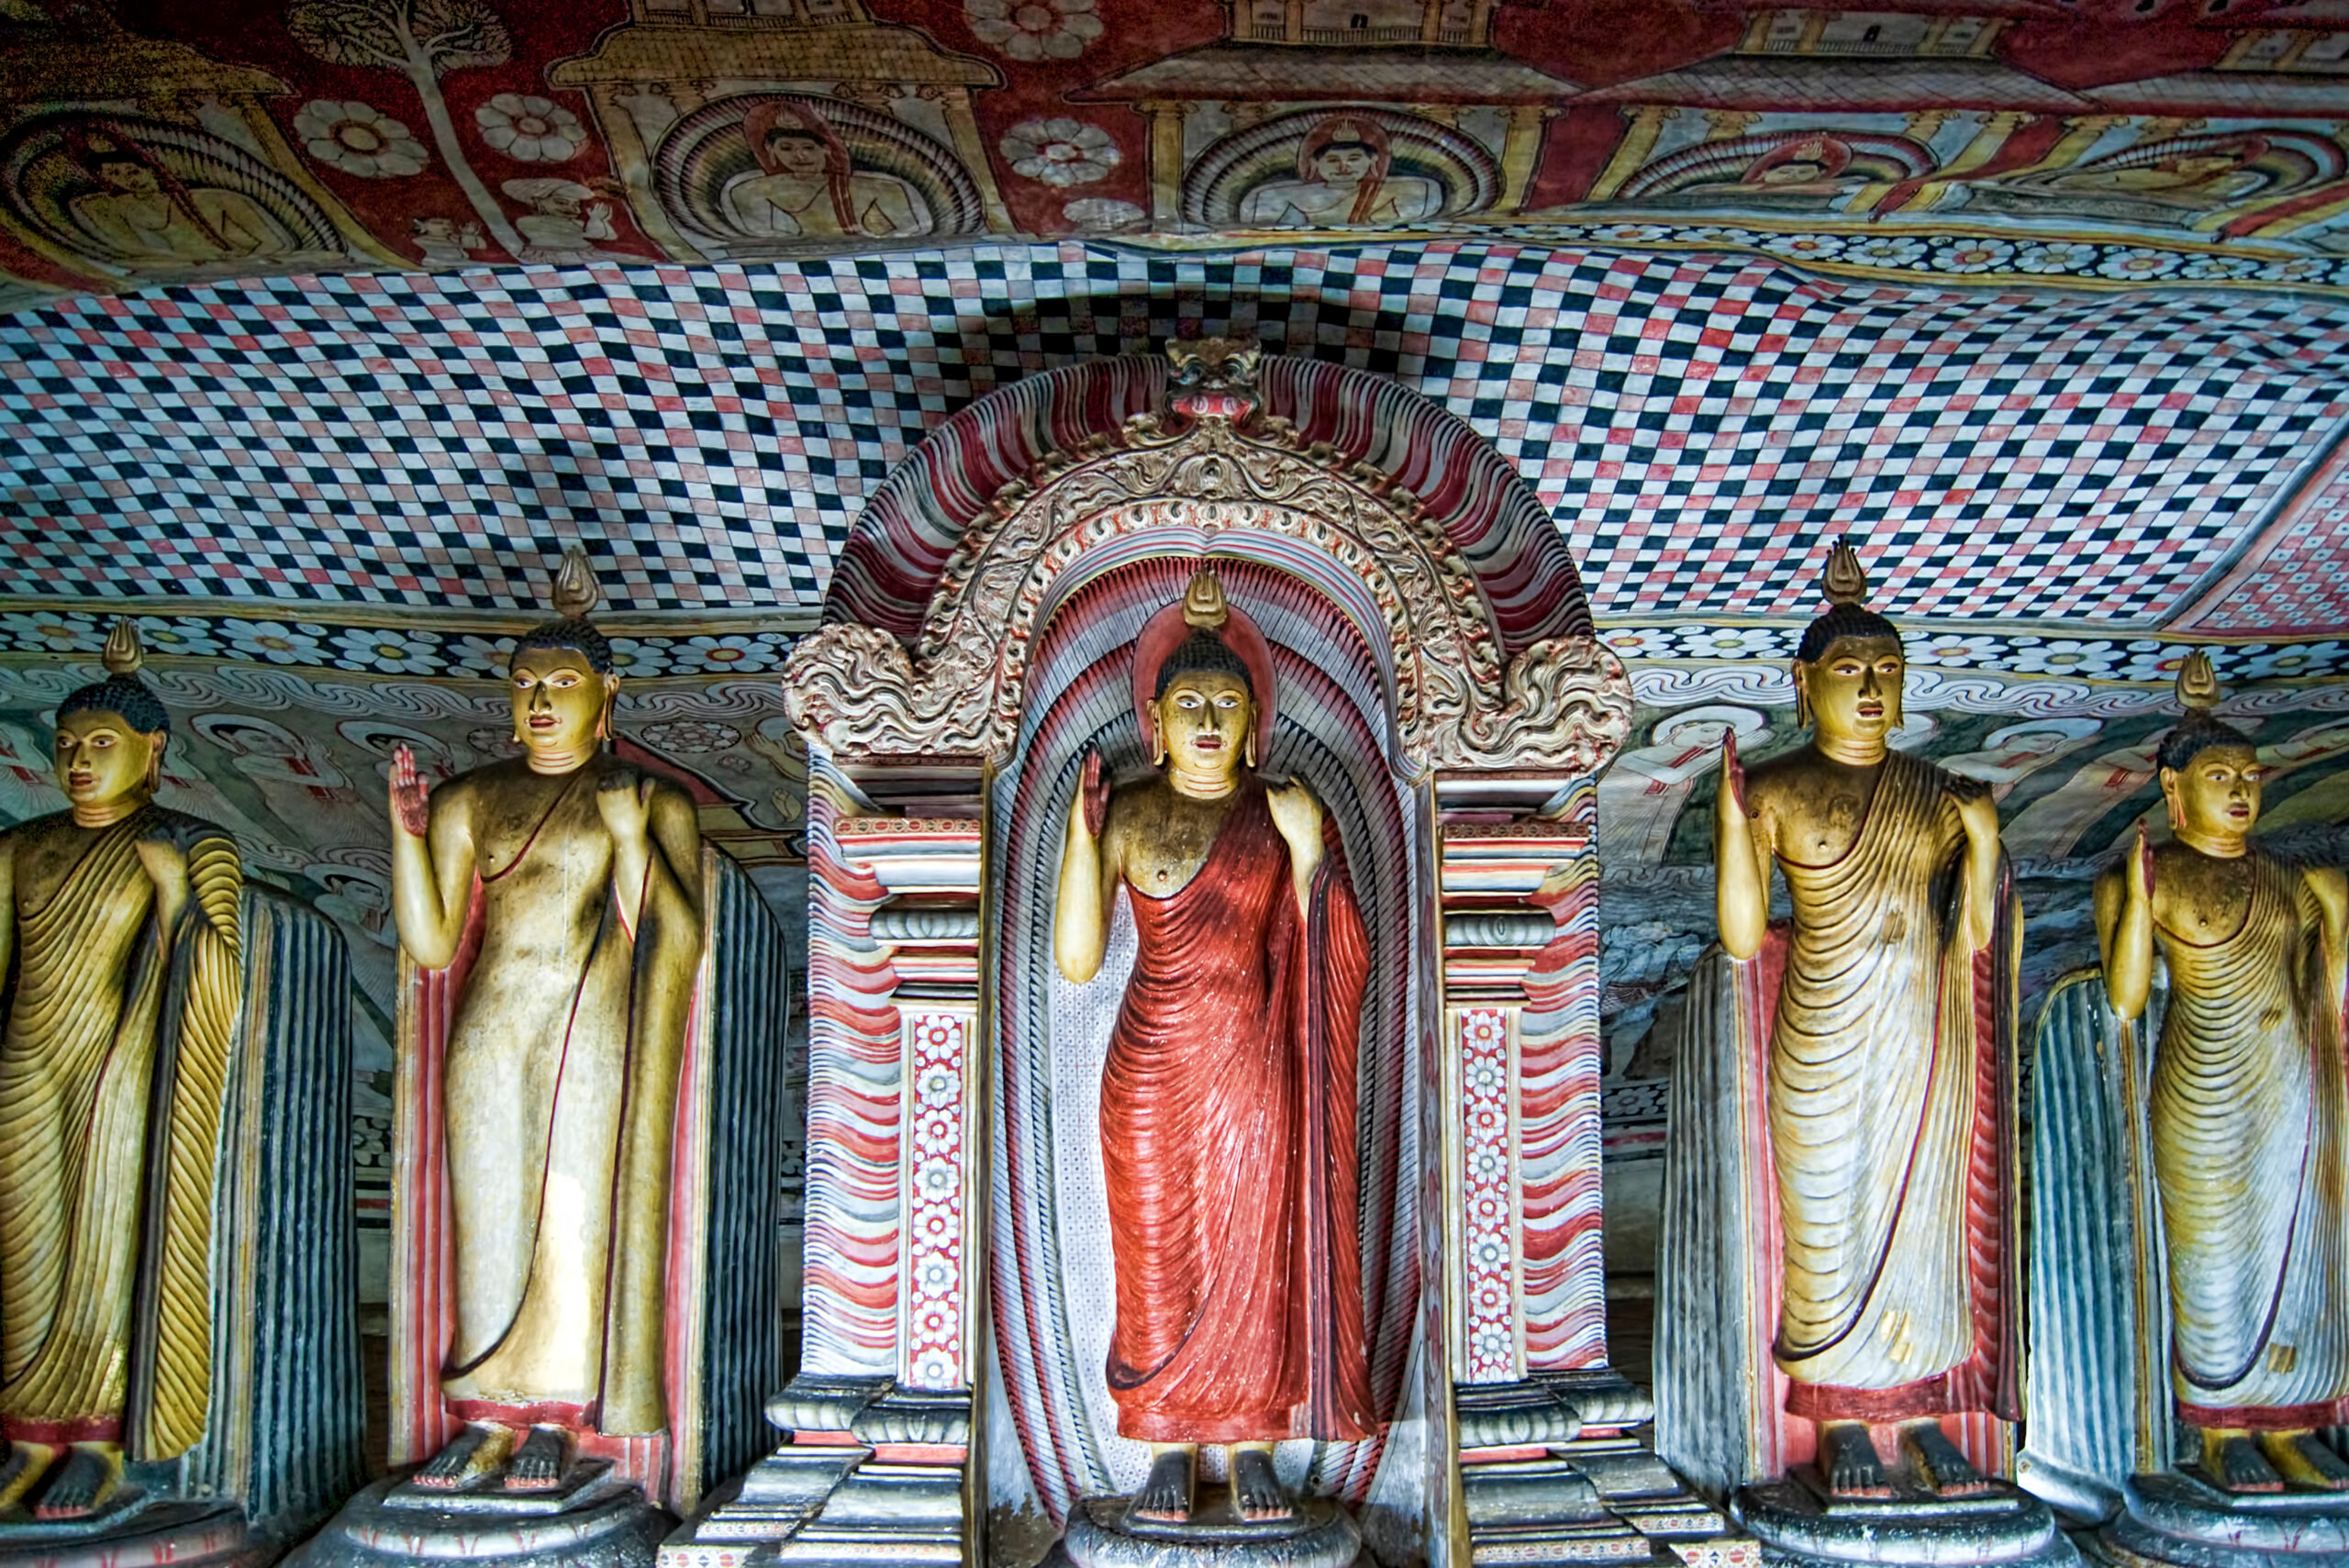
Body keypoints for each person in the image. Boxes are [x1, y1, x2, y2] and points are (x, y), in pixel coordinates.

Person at [1053, 569, 1375, 1524]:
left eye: (1224, 702)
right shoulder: (1130, 810)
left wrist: (1312, 849)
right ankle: (1161, 1435)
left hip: (1253, 1065)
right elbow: (1076, 960)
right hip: (1150, 1063)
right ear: (1152, 717)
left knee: (1253, 1245)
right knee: (1155, 1248)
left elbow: (1341, 942)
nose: (1205, 718)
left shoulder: (1278, 808)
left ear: (1252, 719)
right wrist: (1081, 837)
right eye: (1186, 701)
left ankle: (1250, 1443)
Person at [388, 553, 703, 1490]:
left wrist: (628, 836)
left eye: (560, 685)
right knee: (487, 1209)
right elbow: (433, 941)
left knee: (571, 1207)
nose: (537, 702)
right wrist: (406, 837)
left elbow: (674, 934)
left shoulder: (650, 799)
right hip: (492, 1017)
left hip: (590, 1020)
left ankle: (556, 1415)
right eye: (524, 685)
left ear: (608, 694)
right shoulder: (470, 798)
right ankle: (483, 1410)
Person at [1714, 541, 2016, 1498]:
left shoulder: (1935, 791)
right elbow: (1736, 936)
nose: (1873, 688)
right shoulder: (1779, 788)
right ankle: (1839, 1414)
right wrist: (1731, 824)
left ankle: (1922, 1416)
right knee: (1829, 1217)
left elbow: (1971, 933)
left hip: (1921, 1031)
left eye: (1887, 670)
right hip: (1822, 1031)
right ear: (1804, 685)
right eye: (1850, 671)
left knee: (1920, 1228)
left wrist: (1984, 839)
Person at [0, 621, 242, 1518]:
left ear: (154, 750)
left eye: (102, 743)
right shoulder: (22, 849)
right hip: (28, 1066)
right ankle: (26, 1433)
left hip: (124, 1071)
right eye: (66, 745)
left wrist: (176, 889)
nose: (79, 760)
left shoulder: (193, 839)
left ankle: (96, 1441)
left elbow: (221, 978)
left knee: (105, 1253)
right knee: (25, 1254)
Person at [2095, 654, 2349, 1493]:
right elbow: (2126, 999)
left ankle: (2295, 1421)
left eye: (2249, 776)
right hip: (2200, 1091)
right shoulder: (2147, 877)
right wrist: (2136, 900)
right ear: (2174, 791)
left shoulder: (2296, 878)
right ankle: (2218, 1428)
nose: (2240, 791)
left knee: (2299, 1246)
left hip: (2293, 1086)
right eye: (2218, 776)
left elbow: (2331, 990)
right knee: (2209, 1260)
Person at [65, 128, 292, 265]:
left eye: (133, 171)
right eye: (115, 175)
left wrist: (236, 262)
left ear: (151, 168)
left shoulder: (218, 199)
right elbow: (129, 252)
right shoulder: (116, 206)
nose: (128, 179)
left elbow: (275, 244)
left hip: (238, 264)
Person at [720, 101, 929, 239]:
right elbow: (763, 242)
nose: (799, 156)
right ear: (770, 150)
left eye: (808, 147)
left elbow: (912, 235)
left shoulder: (879, 188)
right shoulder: (750, 191)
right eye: (786, 148)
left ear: (826, 148)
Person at [1237, 117, 1442, 228]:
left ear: (1374, 160)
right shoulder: (1287, 195)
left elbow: (1424, 196)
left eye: (1354, 159)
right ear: (1315, 162)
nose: (1344, 168)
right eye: (1333, 161)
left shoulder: (1399, 189)